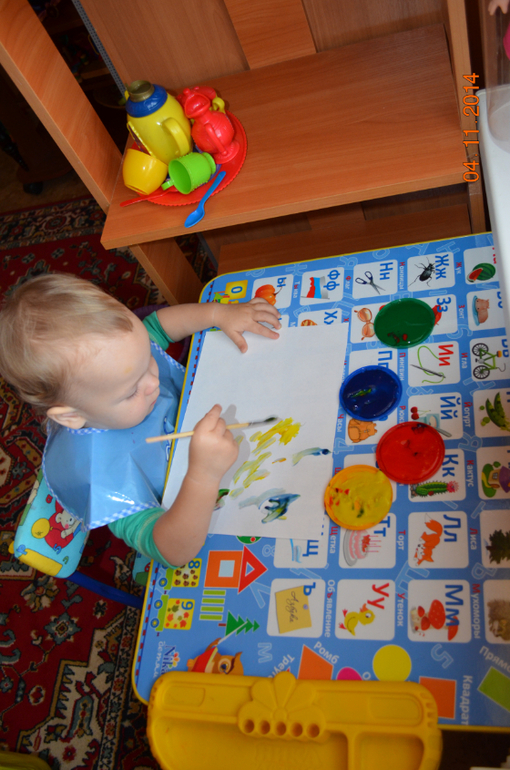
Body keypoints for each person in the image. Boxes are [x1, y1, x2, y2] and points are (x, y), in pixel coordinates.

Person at [0, 273, 281, 568]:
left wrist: (217, 314)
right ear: (72, 416)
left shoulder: (119, 363)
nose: (153, 382)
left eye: (148, 358)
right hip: (195, 517)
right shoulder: (102, 480)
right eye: (131, 391)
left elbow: (157, 326)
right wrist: (203, 476)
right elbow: (172, 551)